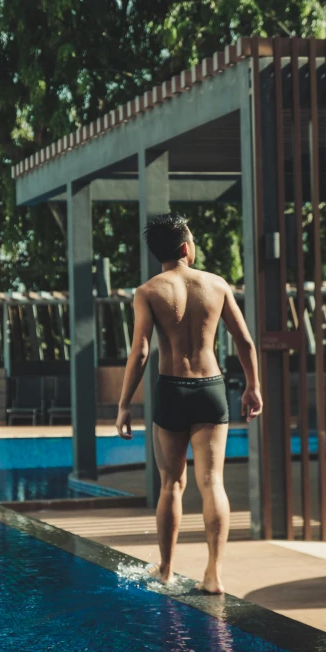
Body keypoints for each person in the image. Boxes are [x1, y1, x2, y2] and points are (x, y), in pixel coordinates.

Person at [115, 213, 262, 594]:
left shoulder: (148, 291)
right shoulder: (216, 285)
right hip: (211, 387)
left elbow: (141, 350)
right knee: (213, 481)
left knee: (171, 484)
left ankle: (165, 570)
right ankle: (213, 575)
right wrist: (252, 386)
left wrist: (124, 403)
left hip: (171, 390)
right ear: (186, 248)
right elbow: (245, 342)